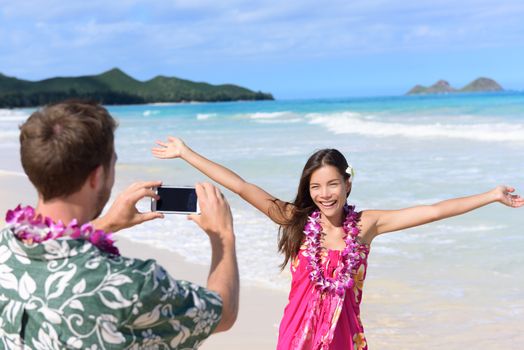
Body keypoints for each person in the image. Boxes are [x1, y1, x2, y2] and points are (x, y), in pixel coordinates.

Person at [152, 136, 523, 350]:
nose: (324, 194)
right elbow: (242, 186)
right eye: (315, 186)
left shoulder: (366, 225)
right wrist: (186, 153)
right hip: (296, 336)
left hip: (345, 337)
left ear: (347, 184)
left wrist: (490, 195)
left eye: (332, 184)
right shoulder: (295, 220)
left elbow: (433, 210)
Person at [0, 101, 239, 349]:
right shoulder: (129, 284)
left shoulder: (5, 248)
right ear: (96, 177)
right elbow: (222, 313)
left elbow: (56, 254)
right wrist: (222, 235)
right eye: (113, 162)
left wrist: (106, 224)